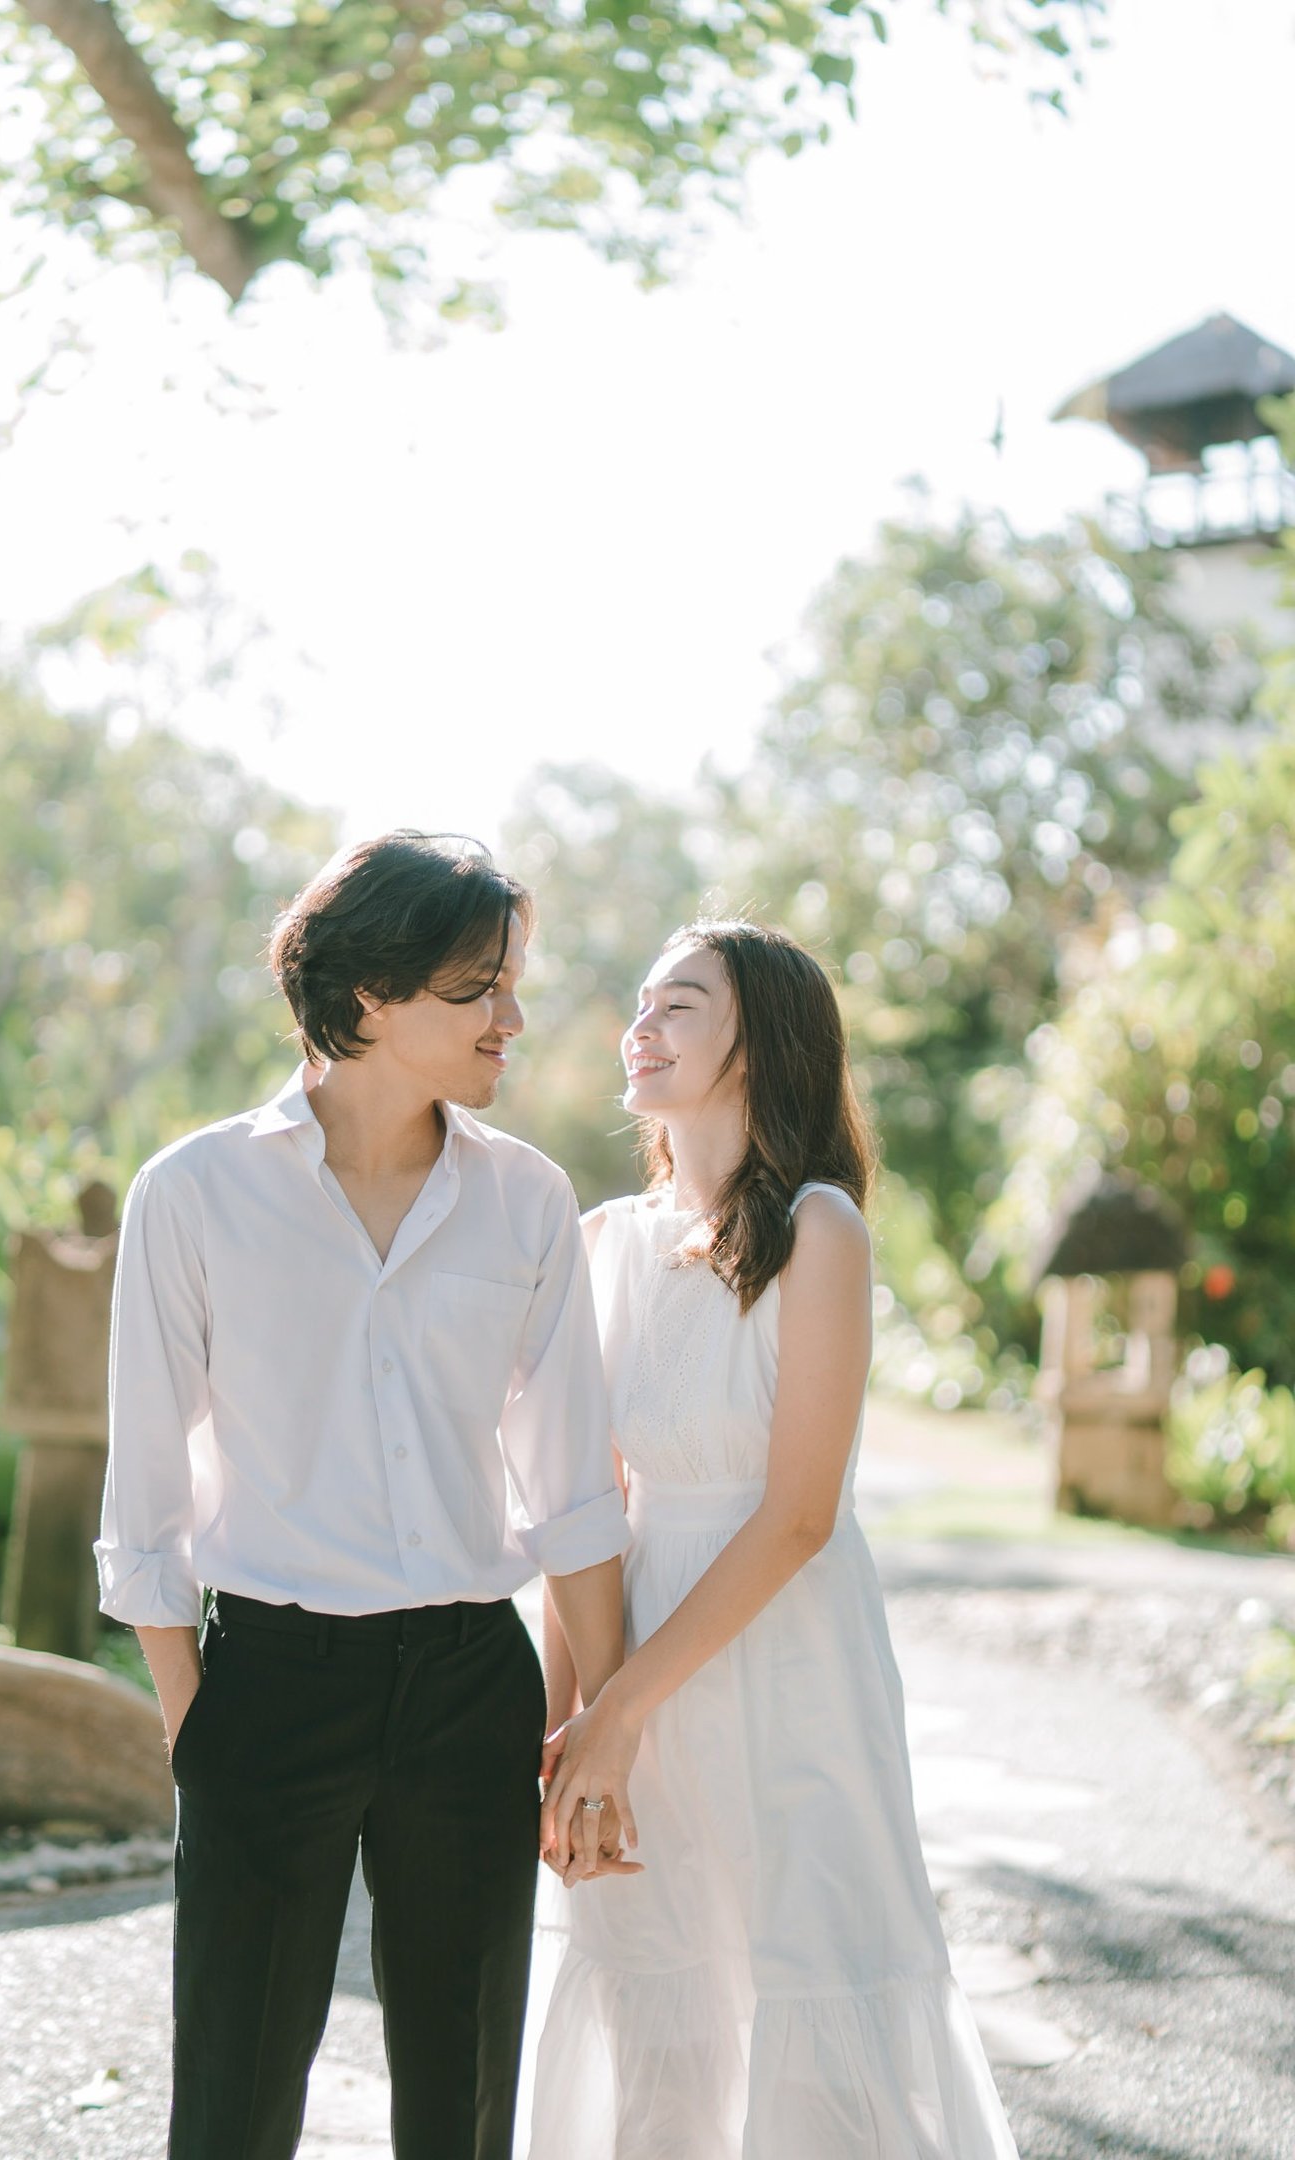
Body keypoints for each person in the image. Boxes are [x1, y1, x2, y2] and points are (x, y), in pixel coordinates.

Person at [95, 832, 631, 2160]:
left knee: (463, 2105)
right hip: (266, 1679)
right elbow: (146, 1503)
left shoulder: (527, 1204)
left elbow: (573, 1497)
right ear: (370, 999)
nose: (514, 1018)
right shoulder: (196, 1195)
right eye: (479, 991)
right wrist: (198, 1729)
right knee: (235, 2098)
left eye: (513, 985)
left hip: (468, 1683)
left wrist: (603, 1732)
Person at [527, 918, 1019, 2159]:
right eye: (640, 1001)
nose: (642, 1024)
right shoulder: (604, 1242)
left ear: (763, 1043)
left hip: (791, 1667)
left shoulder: (820, 1232)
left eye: (680, 1004)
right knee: (658, 2004)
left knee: (815, 1977)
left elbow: (799, 1516)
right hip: (634, 1655)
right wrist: (562, 1726)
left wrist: (621, 1707)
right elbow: (589, 1509)